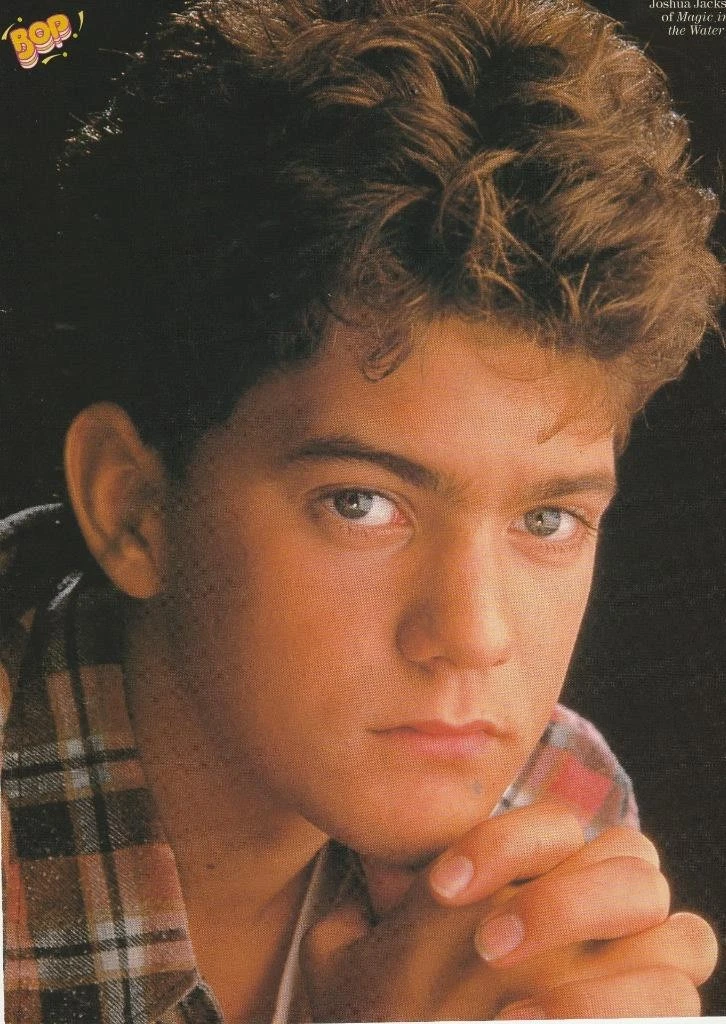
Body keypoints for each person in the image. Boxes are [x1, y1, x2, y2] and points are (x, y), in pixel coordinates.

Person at [1, 0, 722, 1020]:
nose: (473, 636)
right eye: (362, 503)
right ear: (135, 509)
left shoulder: (552, 801)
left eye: (547, 521)